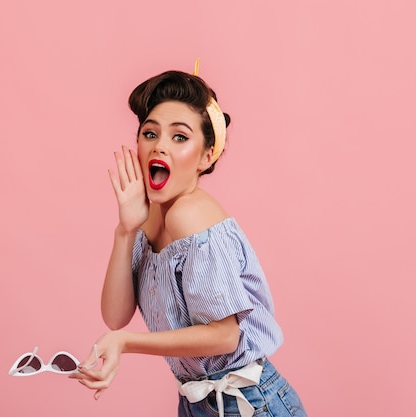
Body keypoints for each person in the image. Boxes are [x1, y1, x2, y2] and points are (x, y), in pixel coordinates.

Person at [71, 67, 307, 417]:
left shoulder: (191, 214)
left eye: (179, 137)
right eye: (150, 133)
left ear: (206, 156)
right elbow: (116, 315)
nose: (160, 146)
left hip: (249, 404)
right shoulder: (149, 217)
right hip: (197, 402)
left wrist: (127, 344)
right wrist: (125, 231)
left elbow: (225, 335)